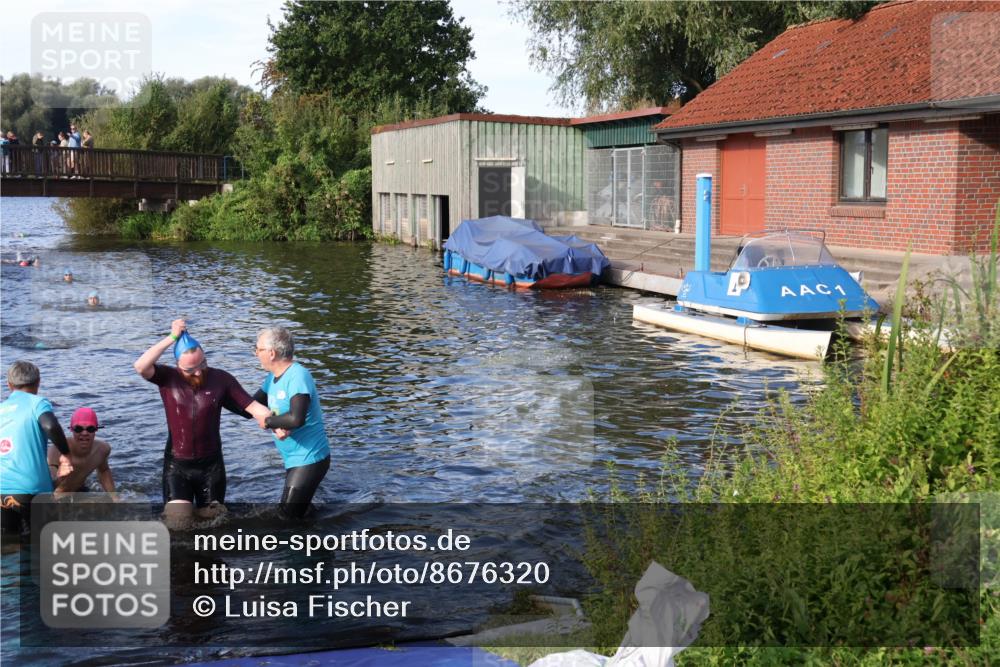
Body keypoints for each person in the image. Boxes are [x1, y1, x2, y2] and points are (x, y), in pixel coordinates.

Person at [133, 319, 270, 526]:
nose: (198, 372)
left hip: (211, 466)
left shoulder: (221, 379)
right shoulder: (167, 378)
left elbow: (253, 408)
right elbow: (141, 366)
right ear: (178, 366)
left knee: (213, 524)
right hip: (177, 465)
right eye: (191, 369)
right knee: (178, 524)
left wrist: (277, 422)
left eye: (202, 364)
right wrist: (171, 337)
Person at [252, 326, 330, 519]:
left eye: (258, 349)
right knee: (298, 513)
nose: (256, 354)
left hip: (310, 458)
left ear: (272, 353)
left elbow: (296, 418)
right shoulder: (272, 377)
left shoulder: (297, 376)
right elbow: (250, 406)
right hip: (293, 458)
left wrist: (268, 421)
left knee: (287, 518)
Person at [0, 362, 85, 536]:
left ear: (9, 385)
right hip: (32, 490)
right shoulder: (37, 403)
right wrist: (66, 455)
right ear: (38, 382)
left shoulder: (1, 409)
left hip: (2, 490)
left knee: (9, 545)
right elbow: (50, 425)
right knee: (44, 543)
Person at [47, 408, 115, 493]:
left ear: (96, 429)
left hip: (81, 491)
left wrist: (114, 498)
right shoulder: (55, 451)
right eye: (78, 429)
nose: (84, 433)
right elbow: (47, 485)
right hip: (56, 496)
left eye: (90, 429)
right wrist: (60, 477)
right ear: (71, 429)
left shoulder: (102, 449)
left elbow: (104, 471)